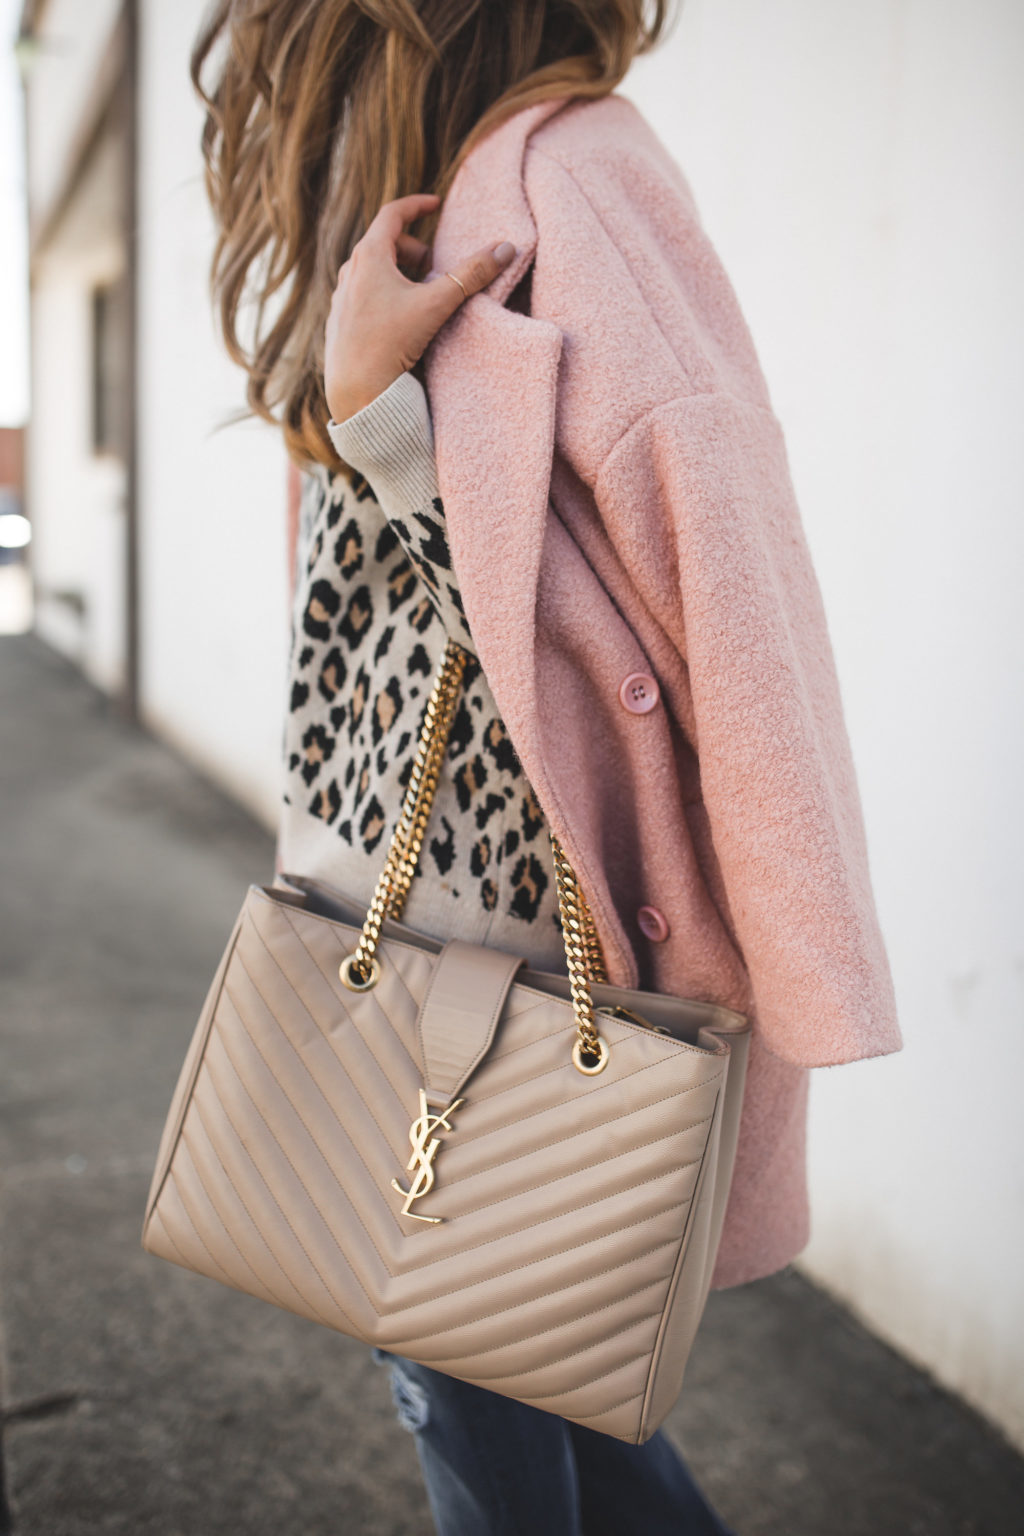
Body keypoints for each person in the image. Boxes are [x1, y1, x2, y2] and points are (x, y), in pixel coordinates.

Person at [189, 3, 901, 1531]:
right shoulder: (459, 193)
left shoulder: (565, 177)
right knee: (538, 1405)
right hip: (413, 947)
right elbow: (374, 649)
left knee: (487, 1416)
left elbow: (695, 558)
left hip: (513, 976)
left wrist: (795, 952)